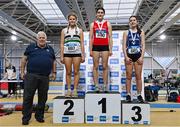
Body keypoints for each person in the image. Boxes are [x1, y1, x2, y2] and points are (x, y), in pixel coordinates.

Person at [20, 31, 56, 125]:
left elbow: (53, 62)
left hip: (45, 77)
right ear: (37, 39)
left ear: (46, 39)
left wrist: (54, 72)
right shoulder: (31, 47)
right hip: (31, 75)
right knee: (28, 97)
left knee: (43, 98)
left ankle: (39, 116)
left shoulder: (50, 49)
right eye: (40, 37)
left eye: (43, 37)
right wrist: (22, 71)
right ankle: (26, 118)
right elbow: (24, 59)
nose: (42, 39)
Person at [60, 12, 85, 97]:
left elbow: (82, 43)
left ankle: (75, 90)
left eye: (73, 19)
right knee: (68, 72)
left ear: (76, 20)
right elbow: (61, 44)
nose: (72, 20)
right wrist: (61, 55)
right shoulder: (64, 31)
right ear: (68, 20)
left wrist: (83, 55)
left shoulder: (80, 30)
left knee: (76, 71)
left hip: (77, 53)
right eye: (70, 19)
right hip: (67, 53)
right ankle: (69, 90)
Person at [89, 7, 113, 92]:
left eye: (101, 12)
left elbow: (110, 37)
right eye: (98, 12)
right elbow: (91, 37)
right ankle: (96, 86)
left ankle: (104, 85)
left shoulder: (108, 24)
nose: (100, 14)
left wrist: (110, 49)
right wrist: (90, 50)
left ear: (104, 14)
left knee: (104, 66)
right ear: (96, 14)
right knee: (95, 67)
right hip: (95, 47)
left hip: (105, 47)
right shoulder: (93, 24)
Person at [122, 16, 145, 103]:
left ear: (137, 22)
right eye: (131, 20)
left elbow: (143, 45)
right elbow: (124, 46)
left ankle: (139, 95)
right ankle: (128, 94)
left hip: (138, 56)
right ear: (129, 22)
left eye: (134, 20)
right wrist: (126, 57)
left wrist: (142, 57)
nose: (132, 22)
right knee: (128, 76)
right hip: (129, 56)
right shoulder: (126, 32)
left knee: (138, 76)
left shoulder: (141, 32)